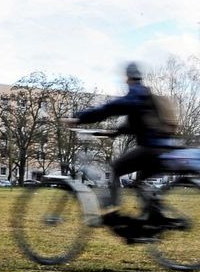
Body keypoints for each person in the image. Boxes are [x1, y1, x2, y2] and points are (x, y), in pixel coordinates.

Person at [62, 63, 178, 240]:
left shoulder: (136, 94)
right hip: (163, 149)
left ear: (128, 78)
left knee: (115, 168)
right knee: (140, 183)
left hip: (151, 149)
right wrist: (113, 133)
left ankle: (113, 212)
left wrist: (79, 118)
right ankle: (152, 222)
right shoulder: (146, 98)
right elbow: (135, 125)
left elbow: (108, 109)